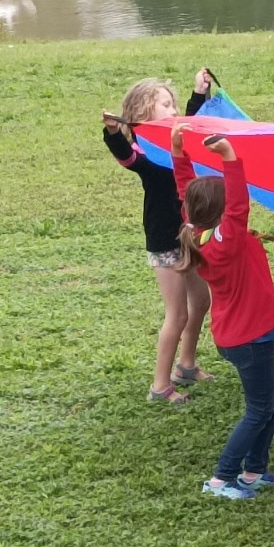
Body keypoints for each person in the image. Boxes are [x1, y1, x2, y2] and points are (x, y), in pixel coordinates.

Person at [171, 124, 274, 501]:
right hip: (249, 338)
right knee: (259, 409)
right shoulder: (225, 242)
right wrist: (229, 159)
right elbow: (239, 206)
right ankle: (222, 479)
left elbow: (186, 194)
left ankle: (254, 470)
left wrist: (179, 154)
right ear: (222, 214)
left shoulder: (198, 232)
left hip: (246, 334)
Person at [103, 70, 215, 404]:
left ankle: (187, 365)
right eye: (165, 105)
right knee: (177, 313)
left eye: (173, 104)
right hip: (165, 242)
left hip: (188, 237)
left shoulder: (176, 142)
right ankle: (160, 385)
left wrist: (199, 93)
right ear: (142, 117)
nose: (173, 109)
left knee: (202, 302)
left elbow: (188, 125)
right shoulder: (145, 153)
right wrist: (112, 133)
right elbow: (127, 157)